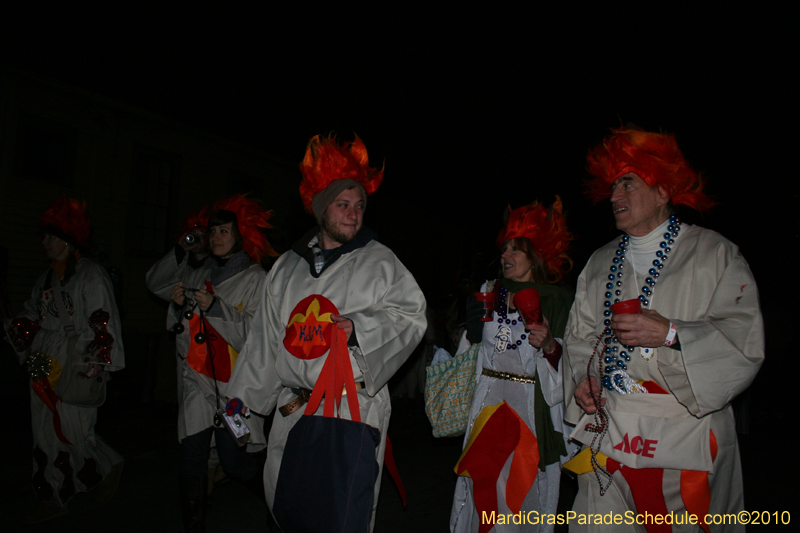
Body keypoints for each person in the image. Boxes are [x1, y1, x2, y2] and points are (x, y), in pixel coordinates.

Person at [562, 126, 764, 532]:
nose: (615, 196)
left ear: (662, 191)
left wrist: (672, 334)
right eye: (613, 185)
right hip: (613, 430)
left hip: (685, 437)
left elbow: (745, 342)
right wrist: (587, 378)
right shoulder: (599, 262)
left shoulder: (715, 254)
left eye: (628, 183)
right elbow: (579, 337)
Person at [228, 133, 427, 531]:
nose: (353, 214)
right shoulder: (286, 268)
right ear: (321, 210)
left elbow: (412, 315)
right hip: (292, 414)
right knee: (289, 515)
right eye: (342, 205)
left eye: (359, 206)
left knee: (341, 520)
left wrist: (361, 330)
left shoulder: (381, 261)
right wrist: (240, 409)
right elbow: (264, 344)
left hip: (349, 412)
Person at [450, 198, 576, 533]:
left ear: (535, 257)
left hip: (531, 409)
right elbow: (473, 351)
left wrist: (550, 345)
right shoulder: (488, 291)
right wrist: (470, 333)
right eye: (504, 248)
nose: (504, 256)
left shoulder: (557, 299)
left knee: (521, 494)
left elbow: (574, 363)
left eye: (515, 250)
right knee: (484, 486)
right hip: (489, 402)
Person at [154, 194, 277, 532]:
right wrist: (180, 308)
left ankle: (277, 503)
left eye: (225, 231)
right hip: (198, 380)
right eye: (214, 231)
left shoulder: (257, 279)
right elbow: (180, 328)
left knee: (234, 462)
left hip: (236, 385)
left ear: (241, 235)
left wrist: (219, 309)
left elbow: (261, 338)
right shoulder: (199, 273)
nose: (218, 238)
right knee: (191, 455)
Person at [4, 197, 125, 523]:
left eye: (51, 236)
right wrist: (18, 327)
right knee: (43, 427)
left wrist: (96, 364)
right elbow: (32, 314)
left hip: (73, 359)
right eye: (44, 236)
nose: (45, 243)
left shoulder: (91, 275)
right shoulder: (45, 279)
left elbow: (103, 322)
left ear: (70, 239)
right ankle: (53, 496)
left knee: (74, 428)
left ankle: (105, 463)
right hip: (42, 357)